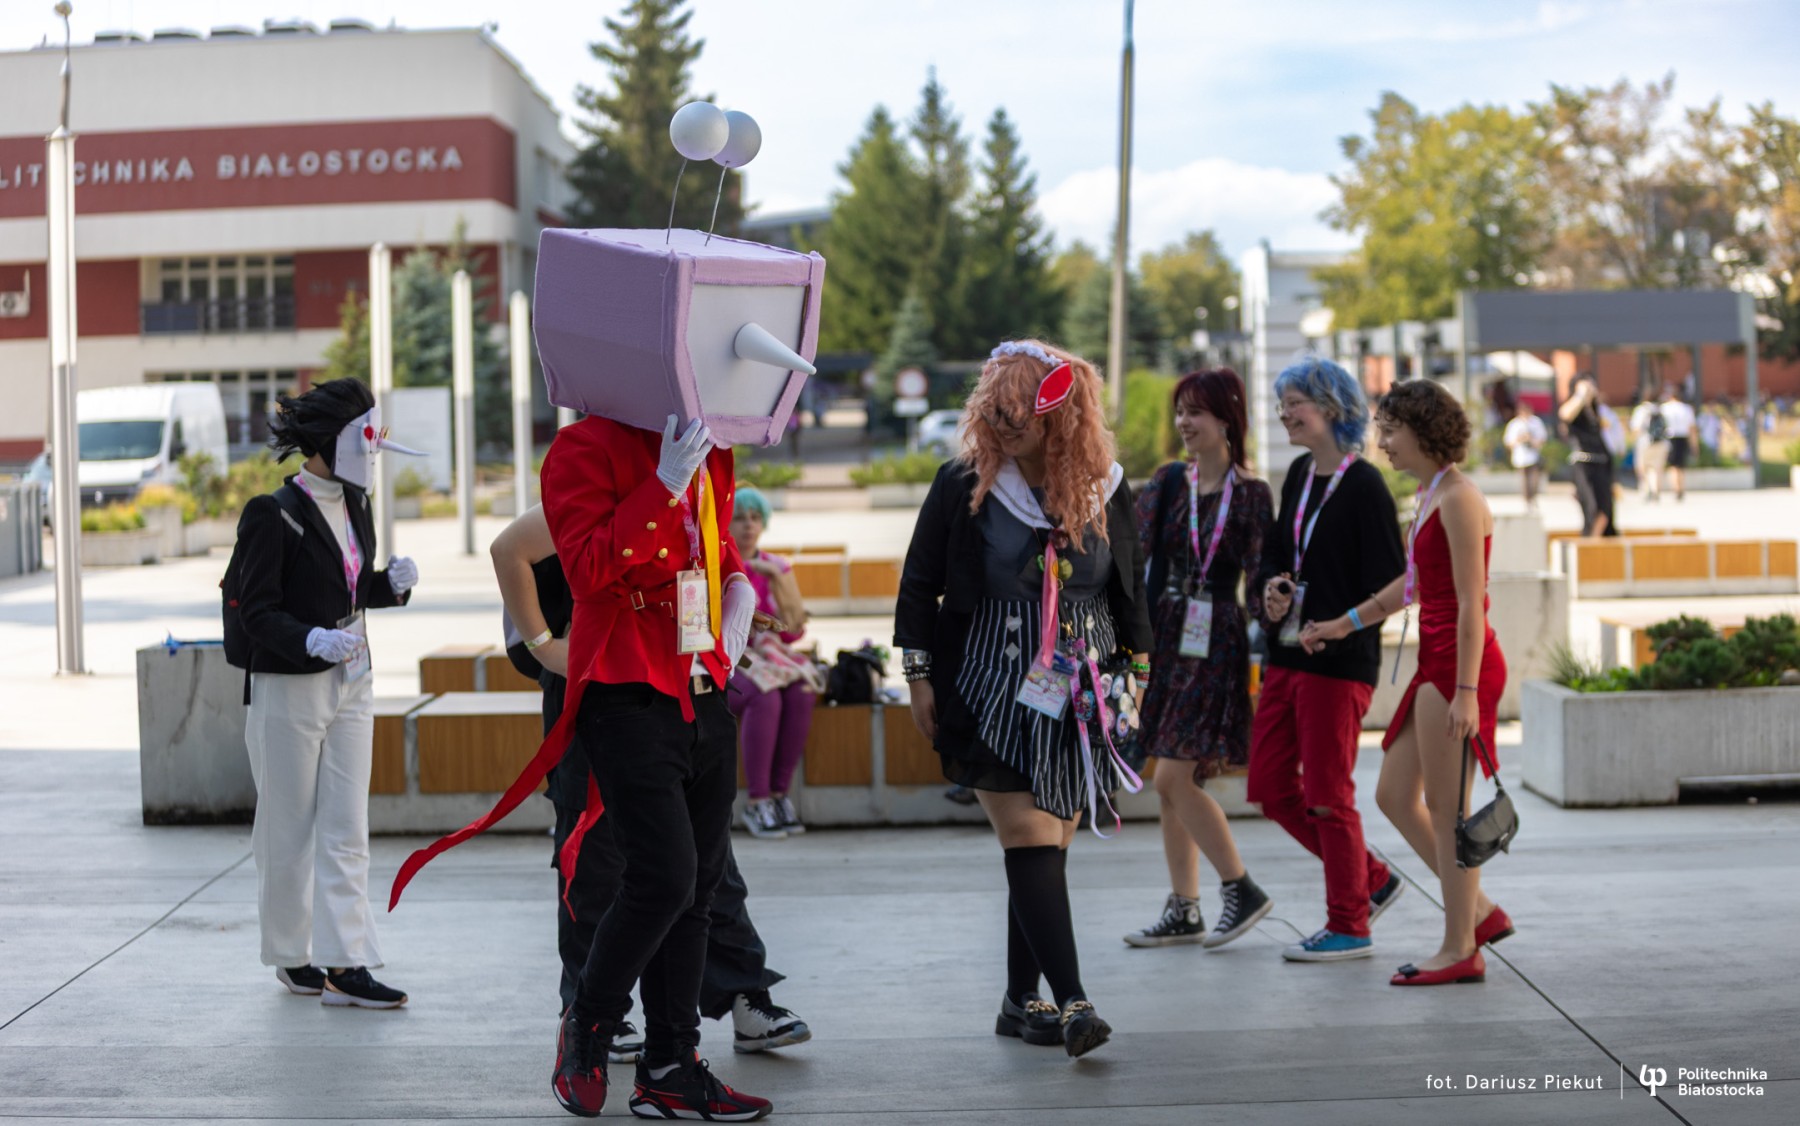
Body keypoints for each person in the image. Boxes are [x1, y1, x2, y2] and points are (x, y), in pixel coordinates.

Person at [895, 339, 1152, 1058]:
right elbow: (919, 583)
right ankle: (1074, 1003)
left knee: (1049, 843)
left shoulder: (1105, 486)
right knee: (1031, 837)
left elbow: (1129, 583)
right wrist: (918, 676)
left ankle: (1019, 1000)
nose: (1005, 426)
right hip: (986, 683)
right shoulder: (964, 483)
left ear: (1059, 413)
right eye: (995, 412)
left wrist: (1138, 672)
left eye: (1020, 413)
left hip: (1081, 689)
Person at [489, 504, 813, 1064]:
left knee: (705, 860)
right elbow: (510, 561)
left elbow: (699, 577)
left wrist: (724, 621)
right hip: (596, 697)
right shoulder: (589, 486)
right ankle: (594, 1011)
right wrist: (552, 649)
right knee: (594, 855)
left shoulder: (685, 491)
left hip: (680, 690)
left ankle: (740, 990)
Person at [1302, 379, 1512, 986]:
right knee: (1395, 795)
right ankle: (1478, 912)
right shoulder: (1431, 493)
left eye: (1391, 430)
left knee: (1450, 813)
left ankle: (1460, 946)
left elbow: (1472, 603)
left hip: (1459, 668)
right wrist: (1344, 623)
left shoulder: (1459, 499)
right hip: (1437, 664)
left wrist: (1467, 693)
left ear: (1424, 432)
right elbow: (1412, 585)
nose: (1383, 442)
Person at [234, 378, 419, 1008]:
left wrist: (389, 586)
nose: (373, 449)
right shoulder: (272, 513)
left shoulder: (356, 503)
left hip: (353, 681)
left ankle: (345, 962)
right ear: (329, 440)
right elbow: (257, 611)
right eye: (365, 436)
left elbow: (348, 588)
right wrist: (310, 639)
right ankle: (292, 955)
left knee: (347, 824)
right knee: (286, 830)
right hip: (289, 689)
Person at [1248, 358, 1407, 964]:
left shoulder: (1364, 485)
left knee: (1326, 796)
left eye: (1296, 403)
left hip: (1338, 664)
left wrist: (1341, 625)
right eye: (1283, 403)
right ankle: (1370, 877)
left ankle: (1349, 923)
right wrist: (1271, 587)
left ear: (1333, 408)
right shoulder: (1297, 474)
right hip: (1288, 652)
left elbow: (1394, 583)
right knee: (1269, 787)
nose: (1285, 414)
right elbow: (1278, 553)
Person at [1125, 367, 1275, 950]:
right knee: (1170, 781)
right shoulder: (1168, 482)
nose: (1183, 422)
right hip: (1167, 634)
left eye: (1196, 412)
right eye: (1180, 411)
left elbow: (1260, 579)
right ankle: (1184, 908)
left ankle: (1241, 888)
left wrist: (1278, 612)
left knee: (1173, 774)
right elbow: (1131, 552)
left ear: (1226, 419)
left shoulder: (1253, 494)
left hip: (1216, 639)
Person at [726, 486, 818, 839]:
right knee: (765, 695)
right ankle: (758, 801)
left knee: (803, 690)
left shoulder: (776, 566)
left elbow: (793, 633)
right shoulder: (716, 564)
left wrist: (776, 578)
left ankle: (779, 796)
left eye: (755, 518)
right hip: (728, 662)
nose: (749, 525)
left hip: (768, 660)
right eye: (739, 518)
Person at [1559, 374, 1616, 537]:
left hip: (1602, 463)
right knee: (1593, 508)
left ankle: (1597, 543)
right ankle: (1591, 543)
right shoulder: (1574, 408)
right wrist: (1581, 394)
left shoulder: (1597, 410)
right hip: (1584, 464)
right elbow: (1565, 414)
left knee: (1606, 511)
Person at [1501, 402, 1547, 511]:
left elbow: (1542, 438)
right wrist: (1520, 439)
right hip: (1520, 457)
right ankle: (1527, 501)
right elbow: (1508, 442)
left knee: (1534, 480)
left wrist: (1531, 440)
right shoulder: (1514, 424)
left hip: (1534, 456)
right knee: (1524, 481)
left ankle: (1533, 498)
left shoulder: (1536, 422)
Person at [1629, 392, 1670, 502]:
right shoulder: (1662, 409)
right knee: (1657, 468)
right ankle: (1655, 490)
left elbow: (1636, 428)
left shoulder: (1642, 410)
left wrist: (1633, 440)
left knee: (1643, 467)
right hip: (1661, 442)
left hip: (1645, 442)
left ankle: (1647, 489)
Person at [1660, 386, 1696, 502]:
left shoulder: (1665, 408)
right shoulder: (1686, 409)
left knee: (1673, 466)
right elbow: (1692, 428)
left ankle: (1676, 488)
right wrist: (1694, 445)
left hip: (1670, 437)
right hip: (1683, 437)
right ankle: (1681, 487)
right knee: (1681, 465)